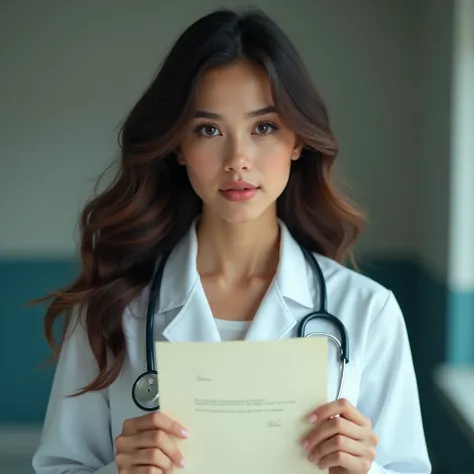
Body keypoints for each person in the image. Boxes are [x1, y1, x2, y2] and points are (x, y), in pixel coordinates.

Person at [31, 7, 431, 474]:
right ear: (178, 146)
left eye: (264, 127)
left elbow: (405, 466)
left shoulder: (367, 311)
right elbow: (61, 466)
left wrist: (365, 470)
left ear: (298, 141)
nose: (237, 159)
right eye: (208, 130)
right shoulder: (111, 310)